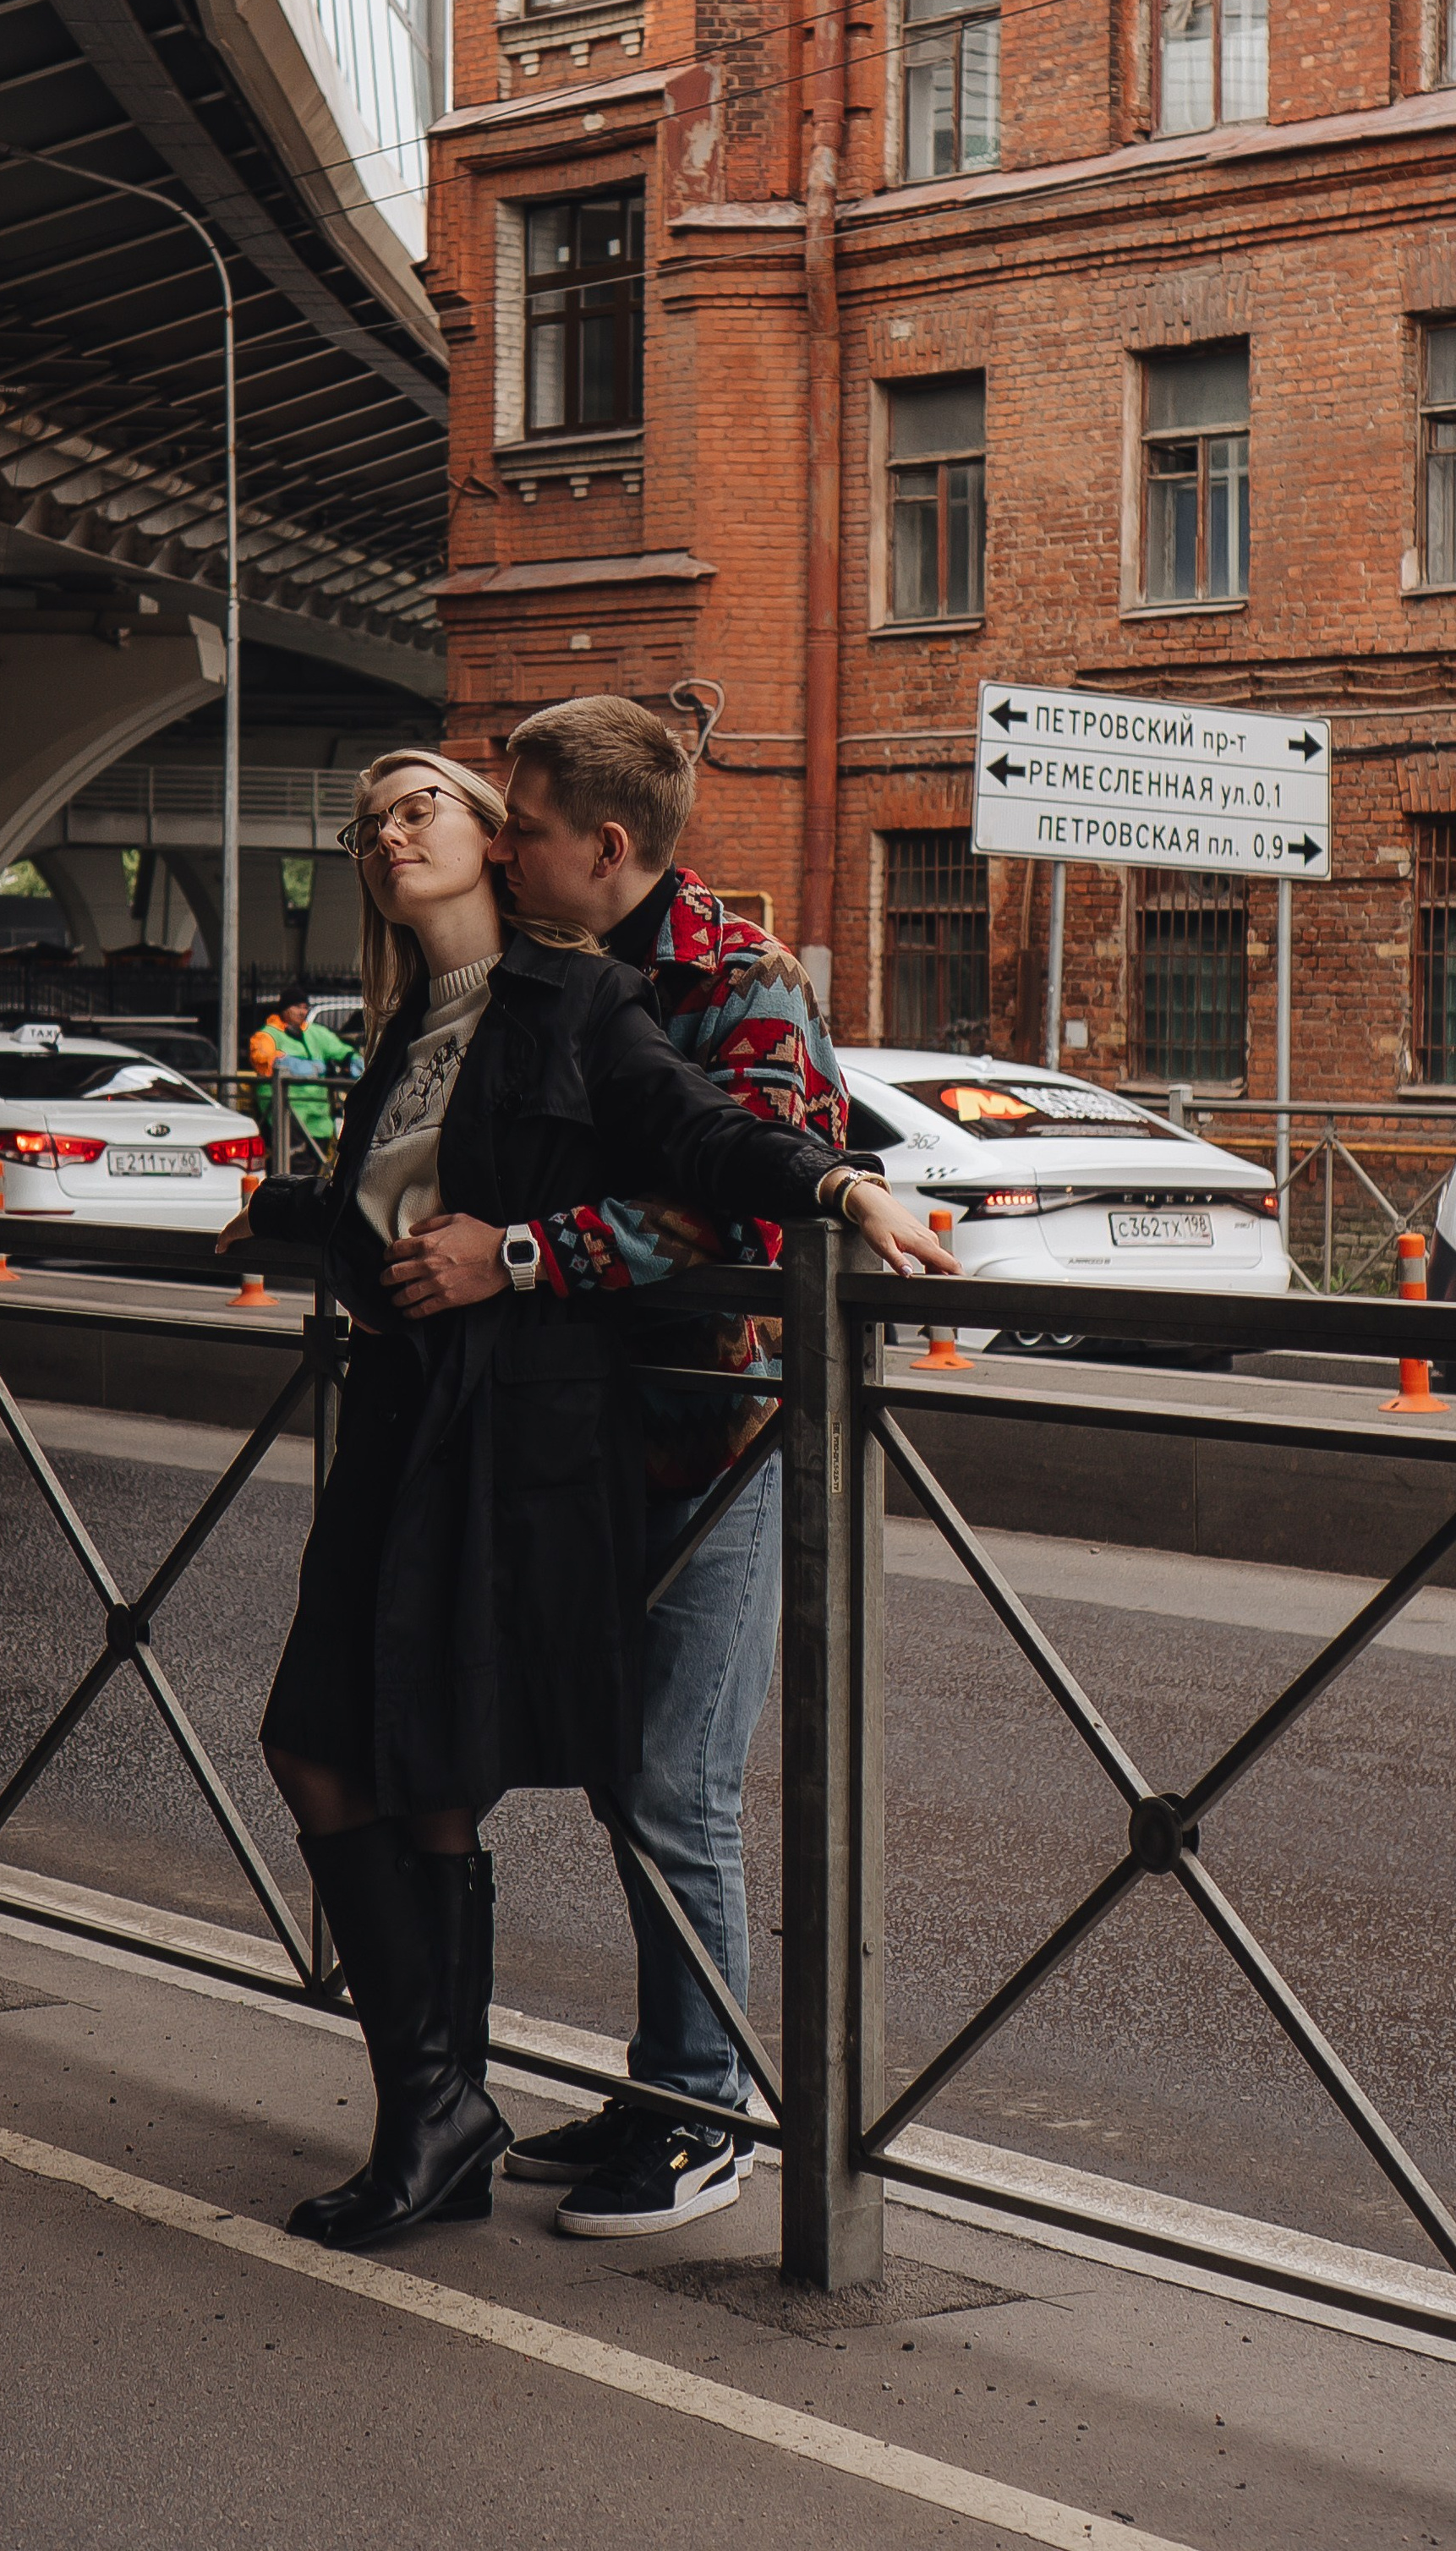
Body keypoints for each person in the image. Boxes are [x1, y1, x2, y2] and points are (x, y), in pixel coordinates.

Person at [223, 750, 955, 2255]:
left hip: (588, 1432)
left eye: (422, 805)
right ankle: (444, 2106)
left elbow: (704, 1140)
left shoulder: (587, 996)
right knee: (335, 1741)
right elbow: (407, 1206)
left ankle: (559, 2113)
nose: (389, 830)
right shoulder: (405, 1030)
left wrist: (841, 1188)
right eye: (368, 819)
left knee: (532, 1770)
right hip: (419, 1426)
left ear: (507, 845)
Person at [373, 697, 845, 2240]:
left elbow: (760, 1216)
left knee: (674, 1786)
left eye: (522, 831)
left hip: (722, 1431)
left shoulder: (742, 981)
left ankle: (708, 2120)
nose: (500, 848)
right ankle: (663, 2079)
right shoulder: (540, 973)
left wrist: (525, 1255)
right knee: (614, 1772)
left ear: (609, 848)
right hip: (578, 1435)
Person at [248, 991, 356, 1158]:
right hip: (286, 1113)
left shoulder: (315, 1033)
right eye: (297, 1007)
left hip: (318, 1116)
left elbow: (341, 1050)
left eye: (305, 1008)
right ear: (284, 1009)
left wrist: (353, 1060)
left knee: (317, 1164)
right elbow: (264, 1060)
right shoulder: (267, 1035)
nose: (302, 1012)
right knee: (294, 1165)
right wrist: (304, 1067)